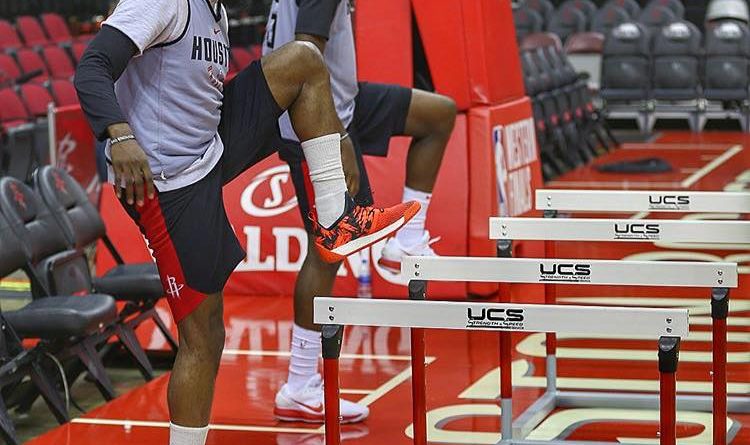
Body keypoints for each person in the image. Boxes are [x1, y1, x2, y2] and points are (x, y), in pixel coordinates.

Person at [74, 0, 419, 443]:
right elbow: (92, 67)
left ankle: (338, 218)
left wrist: (333, 134)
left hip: (208, 149)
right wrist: (118, 134)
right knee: (203, 338)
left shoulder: (215, 11)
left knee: (303, 61)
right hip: (166, 183)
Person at [263, 0, 456, 424]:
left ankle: (406, 243)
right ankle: (298, 385)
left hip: (343, 102)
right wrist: (336, 137)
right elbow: (304, 57)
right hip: (311, 122)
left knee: (438, 115)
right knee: (327, 252)